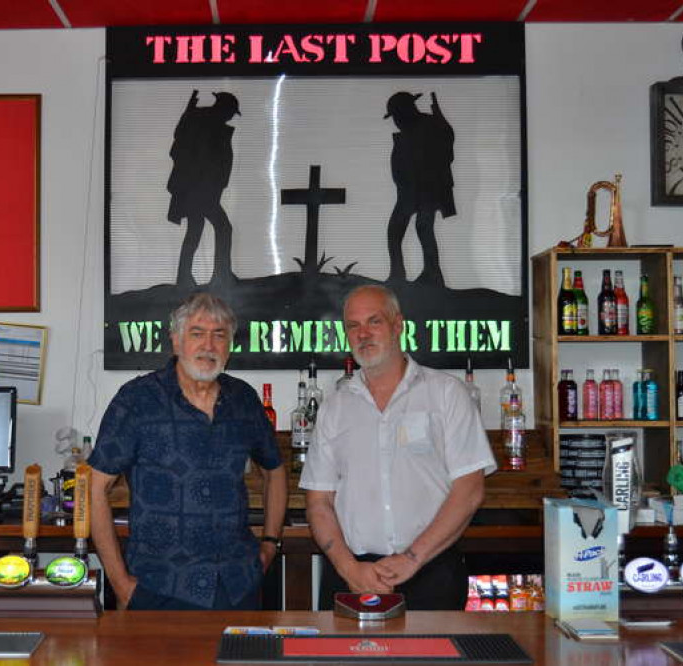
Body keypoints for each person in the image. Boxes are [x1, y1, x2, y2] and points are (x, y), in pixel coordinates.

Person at [89, 292, 287, 610]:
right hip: (159, 587)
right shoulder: (137, 400)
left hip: (236, 586)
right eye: (197, 333)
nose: (208, 345)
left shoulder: (244, 400)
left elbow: (275, 470)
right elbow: (94, 489)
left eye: (219, 335)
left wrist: (269, 543)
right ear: (176, 341)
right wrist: (120, 583)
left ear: (230, 345)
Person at [300, 285, 494, 610]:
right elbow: (318, 502)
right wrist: (349, 568)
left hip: (431, 570)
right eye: (353, 325)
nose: (363, 334)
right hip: (352, 575)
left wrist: (411, 559)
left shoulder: (447, 394)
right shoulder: (334, 407)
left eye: (374, 321)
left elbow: (470, 491)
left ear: (398, 324)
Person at [166, 90, 240, 287]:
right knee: (222, 228)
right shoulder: (202, 121)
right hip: (198, 188)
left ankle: (187, 276)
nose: (231, 116)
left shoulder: (204, 120)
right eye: (231, 112)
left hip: (203, 188)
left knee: (195, 230)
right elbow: (183, 144)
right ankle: (218, 274)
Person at [384, 91, 456, 287]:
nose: (396, 121)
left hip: (427, 189)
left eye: (397, 115)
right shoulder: (411, 130)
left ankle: (432, 274)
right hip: (408, 191)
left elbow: (447, 146)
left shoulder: (431, 125)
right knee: (396, 230)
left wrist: (439, 117)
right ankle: (399, 273)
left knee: (423, 228)